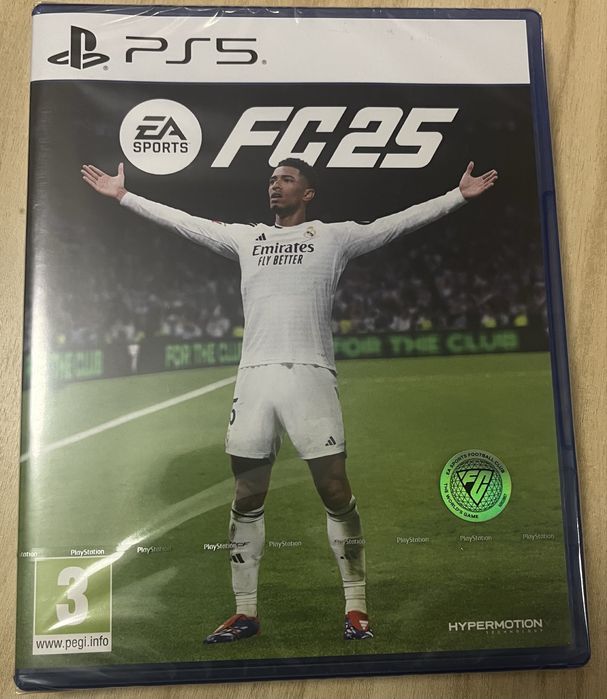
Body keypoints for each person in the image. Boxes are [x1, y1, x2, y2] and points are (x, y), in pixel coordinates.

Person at [81, 157, 497, 643]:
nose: (275, 186)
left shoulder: (334, 237)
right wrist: (124, 196)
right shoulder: (247, 238)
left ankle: (356, 606)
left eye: (286, 179)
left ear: (308, 192)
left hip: (311, 375)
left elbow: (395, 224)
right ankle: (245, 612)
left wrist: (456, 196)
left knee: (335, 489)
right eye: (271, 179)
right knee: (247, 494)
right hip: (255, 379)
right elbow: (184, 222)